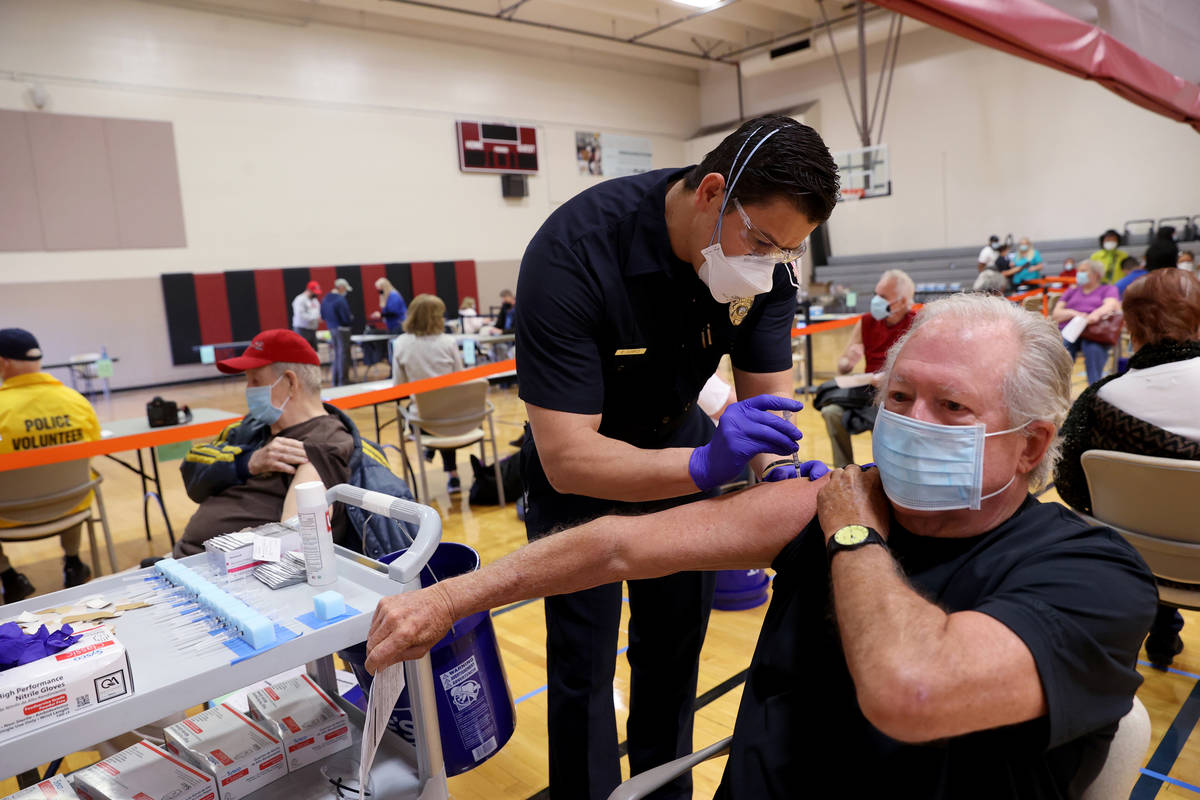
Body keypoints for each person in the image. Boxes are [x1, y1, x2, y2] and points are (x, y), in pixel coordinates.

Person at [364, 294, 1156, 799]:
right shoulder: (829, 499)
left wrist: (850, 530)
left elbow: (911, 690)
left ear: (1029, 447)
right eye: (900, 397)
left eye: (951, 406)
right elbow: (616, 548)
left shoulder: (1091, 574)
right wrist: (448, 597)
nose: (912, 423)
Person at [512, 114, 840, 800]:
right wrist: (704, 468)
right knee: (583, 669)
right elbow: (570, 457)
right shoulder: (574, 251)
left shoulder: (766, 268)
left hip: (686, 444)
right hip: (585, 474)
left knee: (671, 659)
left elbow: (770, 409)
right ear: (711, 193)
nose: (770, 264)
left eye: (789, 251)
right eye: (762, 241)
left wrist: (778, 469)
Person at [1055, 268, 1200, 669]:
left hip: (1131, 558)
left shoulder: (1100, 400)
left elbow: (1068, 484)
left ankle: (1160, 631)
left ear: (1129, 325)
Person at [175, 330, 355, 557]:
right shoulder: (252, 426)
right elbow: (193, 472)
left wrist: (244, 544)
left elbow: (295, 547)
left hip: (224, 574)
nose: (248, 390)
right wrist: (246, 463)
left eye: (256, 381)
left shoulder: (323, 441)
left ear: (290, 382)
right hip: (186, 559)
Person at [0, 328, 96, 601]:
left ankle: (8, 576)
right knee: (73, 476)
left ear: (3, 362)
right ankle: (74, 562)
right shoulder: (77, 402)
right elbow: (89, 452)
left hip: (7, 514)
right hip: (70, 504)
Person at [821, 269, 916, 468]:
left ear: (901, 301)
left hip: (896, 393)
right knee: (831, 412)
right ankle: (845, 470)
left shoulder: (915, 323)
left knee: (882, 418)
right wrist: (848, 362)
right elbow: (842, 367)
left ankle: (885, 474)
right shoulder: (866, 322)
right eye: (876, 294)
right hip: (866, 390)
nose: (876, 300)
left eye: (883, 297)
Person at [392, 294, 465, 494]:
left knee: (420, 411)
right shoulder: (448, 342)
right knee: (443, 411)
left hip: (424, 418)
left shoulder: (400, 343)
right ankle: (452, 474)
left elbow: (399, 386)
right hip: (455, 419)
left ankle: (431, 450)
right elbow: (460, 380)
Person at [1051, 259, 1120, 384]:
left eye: (1083, 271)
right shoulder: (1071, 291)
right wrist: (1074, 314)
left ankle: (1094, 389)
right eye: (1078, 271)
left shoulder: (1108, 289)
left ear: (1096, 274)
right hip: (1070, 330)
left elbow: (1110, 305)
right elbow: (1056, 314)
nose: (1079, 274)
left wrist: (1092, 316)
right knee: (1061, 349)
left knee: (1093, 349)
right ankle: (1058, 387)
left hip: (1094, 332)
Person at [321, 277, 354, 387]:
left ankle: (335, 381)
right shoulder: (340, 299)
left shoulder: (325, 299)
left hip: (332, 329)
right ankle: (343, 380)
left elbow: (323, 315)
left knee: (337, 355)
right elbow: (346, 318)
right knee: (343, 355)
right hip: (342, 330)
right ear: (341, 287)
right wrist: (350, 319)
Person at [291, 281, 322, 348]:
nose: (315, 294)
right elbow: (300, 315)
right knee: (303, 350)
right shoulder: (300, 299)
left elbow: (317, 311)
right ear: (309, 290)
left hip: (312, 329)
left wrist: (319, 317)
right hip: (302, 329)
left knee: (313, 351)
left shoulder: (314, 300)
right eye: (314, 292)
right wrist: (315, 318)